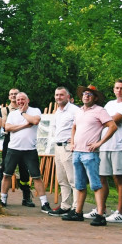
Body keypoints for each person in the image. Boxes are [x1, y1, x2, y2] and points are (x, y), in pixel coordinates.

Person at [62, 86, 117, 225]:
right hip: (77, 152)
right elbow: (74, 127)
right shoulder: (79, 111)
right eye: (85, 94)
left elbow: (112, 126)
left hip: (90, 153)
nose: (86, 96)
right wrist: (72, 142)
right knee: (80, 184)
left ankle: (100, 214)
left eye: (90, 94)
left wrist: (99, 143)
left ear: (95, 98)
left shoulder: (100, 111)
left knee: (95, 184)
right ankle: (78, 212)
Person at [0, 92, 55, 212]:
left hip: (29, 149)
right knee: (6, 174)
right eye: (18, 100)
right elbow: (8, 128)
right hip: (13, 148)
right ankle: (3, 199)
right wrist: (25, 125)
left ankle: (44, 202)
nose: (20, 102)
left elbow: (35, 121)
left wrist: (24, 113)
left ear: (28, 100)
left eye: (22, 99)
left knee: (36, 176)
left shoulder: (35, 110)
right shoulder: (13, 114)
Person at [97, 80, 122, 224]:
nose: (119, 91)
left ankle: (120, 212)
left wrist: (98, 119)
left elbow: (113, 120)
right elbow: (103, 121)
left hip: (120, 145)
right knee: (101, 177)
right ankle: (101, 209)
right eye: (117, 88)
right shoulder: (109, 104)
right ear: (113, 90)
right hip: (105, 145)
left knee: (119, 178)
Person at [48, 87, 81, 216]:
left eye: (61, 95)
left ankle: (76, 208)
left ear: (68, 97)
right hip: (58, 146)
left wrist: (74, 140)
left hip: (68, 147)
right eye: (56, 95)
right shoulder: (58, 112)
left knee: (73, 179)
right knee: (62, 179)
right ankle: (65, 206)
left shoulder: (75, 110)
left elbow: (81, 126)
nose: (58, 97)